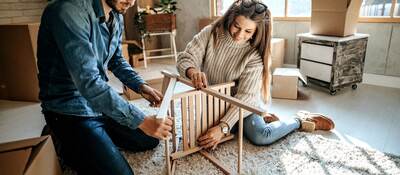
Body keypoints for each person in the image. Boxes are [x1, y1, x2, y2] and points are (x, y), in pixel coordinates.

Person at [37, 0, 173, 174]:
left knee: (150, 139)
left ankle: (95, 139)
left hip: (98, 104)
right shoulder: (67, 11)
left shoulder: (116, 14)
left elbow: (116, 60)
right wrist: (142, 120)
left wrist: (141, 86)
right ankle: (63, 139)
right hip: (69, 110)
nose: (130, 2)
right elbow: (89, 82)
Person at [177, 0, 335, 149]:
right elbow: (185, 57)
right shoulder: (211, 32)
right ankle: (263, 117)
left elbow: (245, 98)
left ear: (256, 32)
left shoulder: (254, 57)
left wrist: (223, 127)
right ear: (230, 19)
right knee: (197, 135)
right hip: (214, 102)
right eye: (236, 26)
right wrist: (192, 71)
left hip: (243, 105)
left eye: (248, 31)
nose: (239, 35)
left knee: (261, 136)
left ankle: (299, 120)